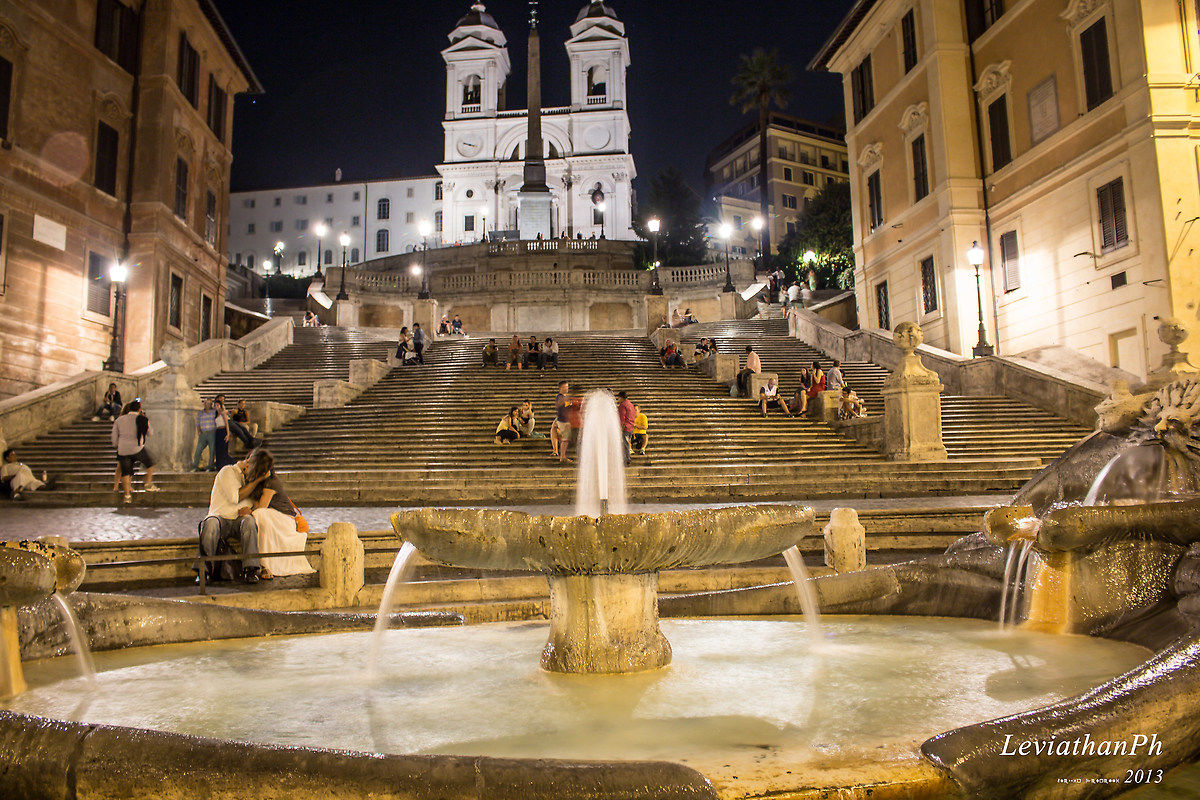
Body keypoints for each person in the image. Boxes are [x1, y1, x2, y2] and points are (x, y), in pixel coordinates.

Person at [244, 449, 314, 579]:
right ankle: (262, 563)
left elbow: (262, 507)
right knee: (260, 516)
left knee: (260, 515)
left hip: (285, 520)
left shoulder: (272, 482)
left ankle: (266, 564)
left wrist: (249, 511)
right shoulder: (259, 482)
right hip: (273, 517)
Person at [198, 452, 264, 583]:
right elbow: (235, 497)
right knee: (210, 523)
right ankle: (203, 571)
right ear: (247, 462)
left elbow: (257, 503)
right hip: (220, 518)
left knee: (250, 522)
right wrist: (256, 481)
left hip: (238, 521)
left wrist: (251, 510)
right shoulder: (228, 471)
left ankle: (250, 569)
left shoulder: (249, 479)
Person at [112, 399, 159, 503]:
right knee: (150, 464)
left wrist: (117, 446)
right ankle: (148, 483)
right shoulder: (142, 419)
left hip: (123, 449)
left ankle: (127, 496)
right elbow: (150, 433)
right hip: (137, 448)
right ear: (139, 409)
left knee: (125, 472)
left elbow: (114, 438)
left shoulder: (119, 420)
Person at [192, 398, 219, 472]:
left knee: (212, 450)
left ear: (211, 404)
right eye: (206, 403)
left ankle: (210, 466)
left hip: (212, 432)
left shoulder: (214, 412)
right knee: (198, 450)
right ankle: (195, 466)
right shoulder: (200, 413)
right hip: (203, 433)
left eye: (209, 403)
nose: (207, 405)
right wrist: (199, 431)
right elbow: (197, 423)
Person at [552, 380, 575, 462]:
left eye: (567, 386)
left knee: (566, 439)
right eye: (566, 387)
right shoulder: (559, 397)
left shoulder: (566, 397)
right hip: (563, 420)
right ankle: (562, 457)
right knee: (565, 439)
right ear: (561, 388)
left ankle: (563, 456)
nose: (567, 388)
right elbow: (559, 405)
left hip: (566, 420)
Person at [616, 391, 636, 466]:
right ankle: (626, 458)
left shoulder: (623, 405)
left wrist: (620, 428)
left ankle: (627, 459)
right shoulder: (630, 404)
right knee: (626, 443)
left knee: (625, 444)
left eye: (619, 397)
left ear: (621, 397)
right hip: (630, 427)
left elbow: (622, 418)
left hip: (625, 427)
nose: (618, 399)